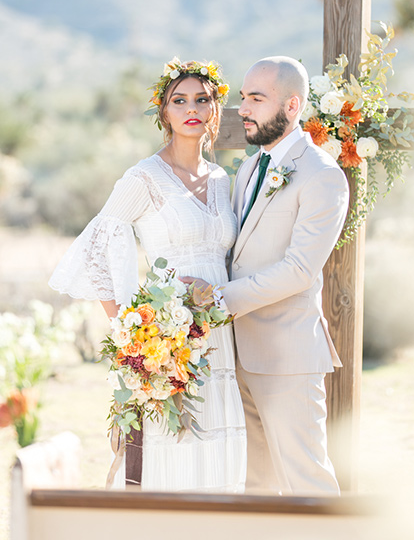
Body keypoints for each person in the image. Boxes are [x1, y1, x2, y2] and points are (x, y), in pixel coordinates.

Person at [48, 59, 246, 492]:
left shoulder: (219, 179)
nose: (191, 108)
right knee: (166, 446)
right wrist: (133, 333)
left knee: (215, 438)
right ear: (164, 112)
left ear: (215, 109)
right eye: (179, 100)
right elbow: (95, 250)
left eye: (202, 99)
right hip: (169, 341)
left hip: (218, 335)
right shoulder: (144, 177)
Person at [184, 56, 349, 496]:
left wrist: (218, 299)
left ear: (292, 105)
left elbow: (298, 270)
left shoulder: (323, 176)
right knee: (255, 486)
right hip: (237, 355)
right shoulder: (250, 167)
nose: (244, 108)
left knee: (307, 480)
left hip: (287, 358)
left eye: (257, 98)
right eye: (243, 97)